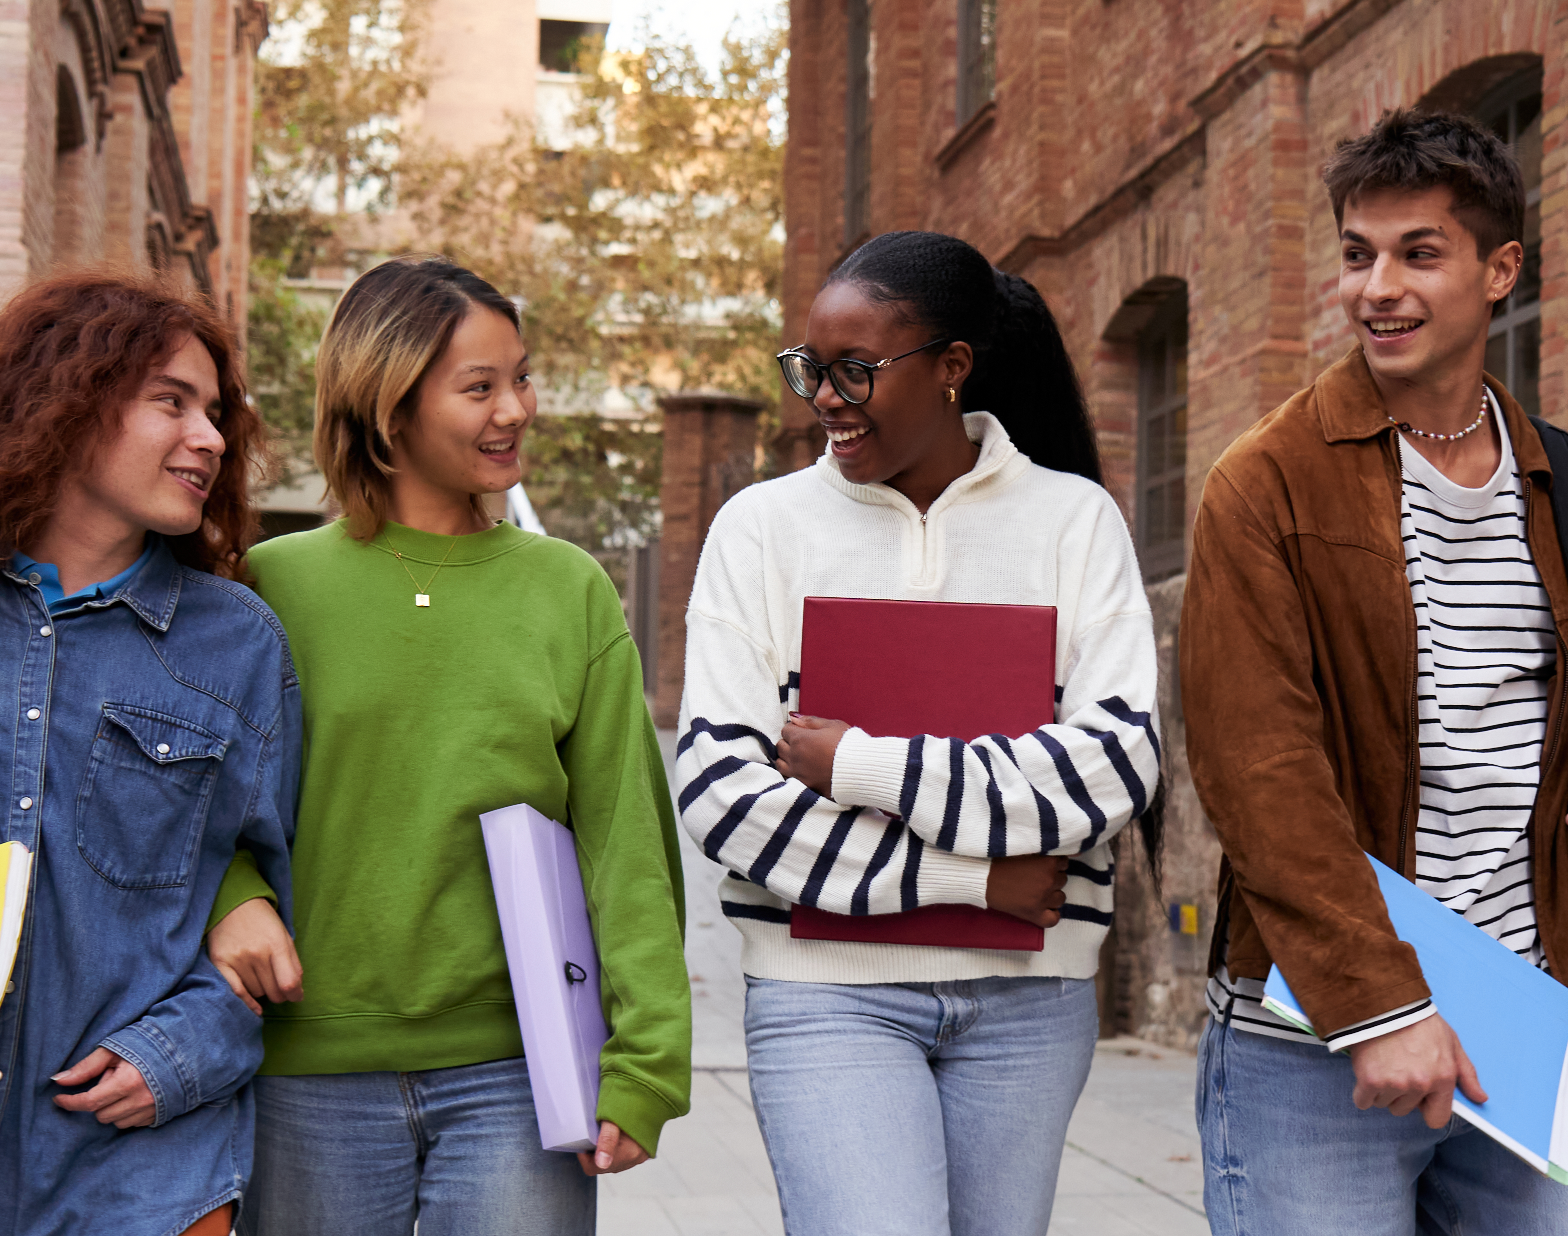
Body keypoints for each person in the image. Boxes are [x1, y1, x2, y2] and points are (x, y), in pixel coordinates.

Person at [675, 230, 1162, 1236]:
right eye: (810, 367)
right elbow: (721, 789)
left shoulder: (1072, 523)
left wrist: (858, 763)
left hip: (1029, 1001)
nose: (822, 395)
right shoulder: (760, 529)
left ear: (950, 369)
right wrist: (968, 881)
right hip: (825, 997)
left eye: (854, 368)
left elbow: (1112, 763)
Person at [205, 254, 691, 1236]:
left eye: (519, 376)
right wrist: (235, 901)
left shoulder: (568, 590)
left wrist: (644, 1065)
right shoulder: (269, 587)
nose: (516, 407)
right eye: (480, 387)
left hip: (519, 1076)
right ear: (390, 409)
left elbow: (624, 845)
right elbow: (198, 802)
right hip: (308, 1076)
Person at [1182, 109, 1568, 1233]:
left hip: (1519, 1022)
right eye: (1356, 254)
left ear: (1499, 270)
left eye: (1418, 253)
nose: (1375, 287)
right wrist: (1382, 1003)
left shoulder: (1556, 481)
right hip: (1318, 1033)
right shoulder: (1264, 485)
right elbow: (1260, 774)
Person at [0, 272, 299, 1235]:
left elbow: (284, 917)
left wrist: (179, 1053)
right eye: (170, 402)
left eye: (215, 412)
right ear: (66, 398)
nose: (210, 437)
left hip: (140, 1169)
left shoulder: (237, 645)